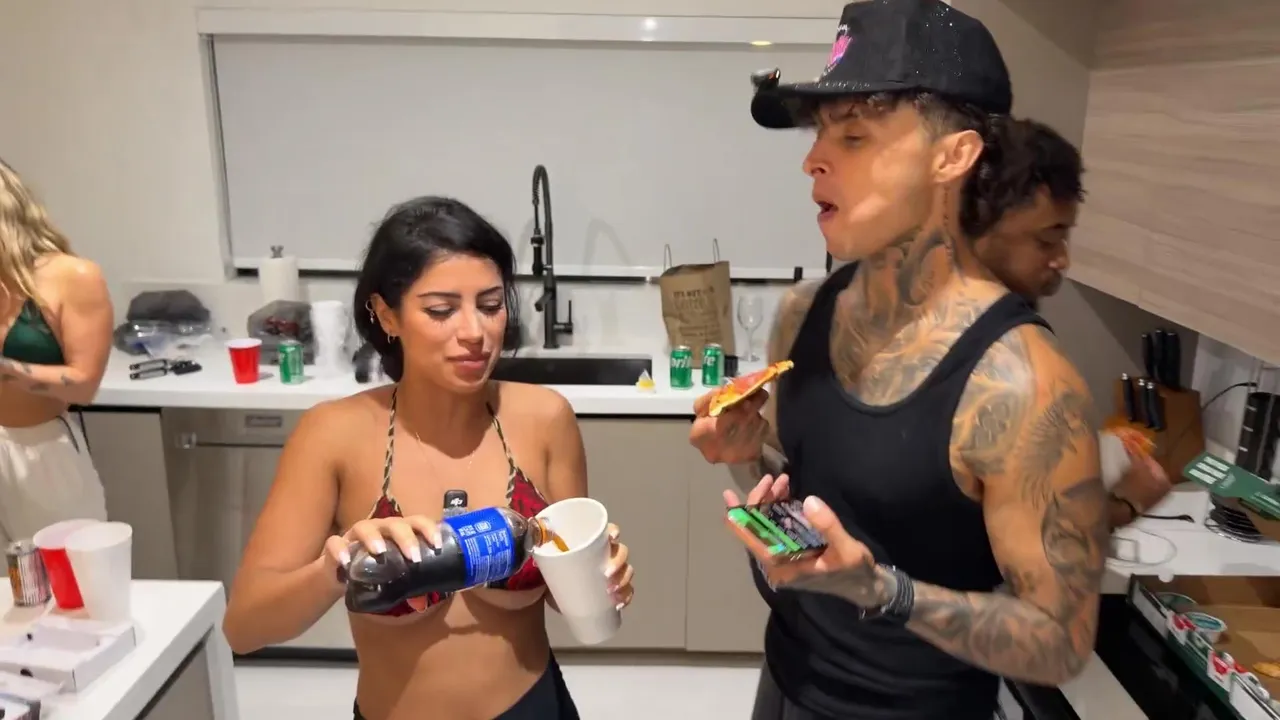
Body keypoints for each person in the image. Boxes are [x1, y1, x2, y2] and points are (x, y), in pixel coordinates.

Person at [689, 2, 1109, 719]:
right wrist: (743, 456)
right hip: (785, 682)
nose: (813, 160)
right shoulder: (801, 316)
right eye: (820, 133)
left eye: (853, 134)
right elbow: (815, 511)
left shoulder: (1022, 382)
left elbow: (1059, 643)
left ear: (952, 156)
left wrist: (881, 591)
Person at [223, 196, 635, 720]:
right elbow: (244, 628)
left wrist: (603, 576)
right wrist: (338, 567)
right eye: (441, 310)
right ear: (386, 314)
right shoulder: (333, 435)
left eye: (490, 305)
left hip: (532, 706)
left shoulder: (544, 417)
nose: (475, 333)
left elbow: (567, 592)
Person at [965, 117, 1173, 528]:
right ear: (978, 227)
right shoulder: (1013, 364)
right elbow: (1044, 533)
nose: (1062, 259)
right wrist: (1131, 502)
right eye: (1046, 240)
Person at [0, 157, 113, 547]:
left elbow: (84, 385)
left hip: (39, 454)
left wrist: (7, 369)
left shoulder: (71, 276)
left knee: (67, 575)